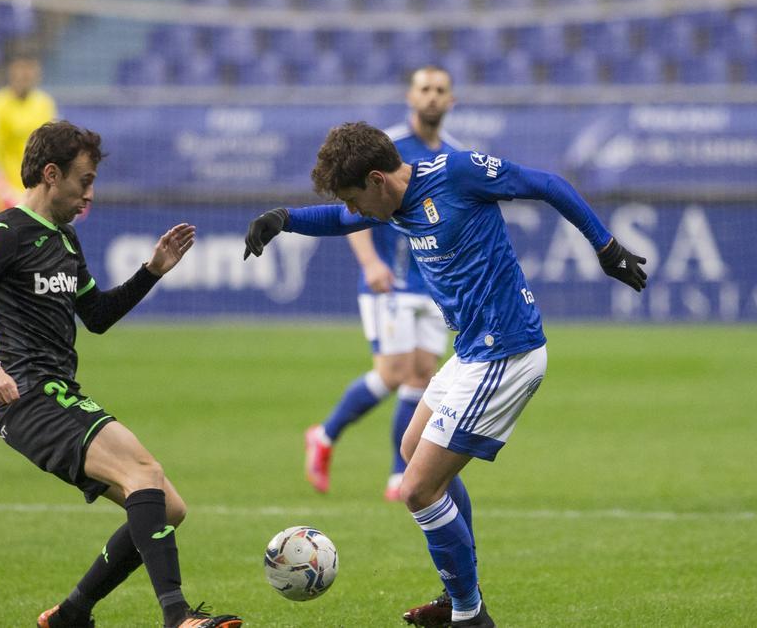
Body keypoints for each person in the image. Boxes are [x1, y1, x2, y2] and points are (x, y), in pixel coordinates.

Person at [244, 122, 647, 627]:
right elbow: (340, 222)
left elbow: (547, 183)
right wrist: (283, 220)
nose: (353, 210)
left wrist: (605, 246)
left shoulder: (457, 173)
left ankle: (469, 615)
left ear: (376, 180)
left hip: (507, 353)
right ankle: (460, 593)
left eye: (354, 198)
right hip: (473, 353)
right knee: (413, 450)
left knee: (415, 489)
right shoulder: (393, 204)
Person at [0, 121, 242, 628]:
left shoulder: (66, 240)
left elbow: (95, 316)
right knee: (145, 476)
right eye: (84, 181)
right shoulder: (5, 233)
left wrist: (152, 271)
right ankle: (177, 617)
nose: (89, 195)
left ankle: (72, 614)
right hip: (28, 397)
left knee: (170, 507)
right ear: (51, 174)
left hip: (57, 394)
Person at [304, 66, 459, 503]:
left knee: (423, 376)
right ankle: (325, 434)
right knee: (394, 373)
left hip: (431, 285)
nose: (431, 97)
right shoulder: (386, 150)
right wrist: (371, 261)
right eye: (424, 89)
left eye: (440, 90)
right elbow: (353, 207)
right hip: (389, 281)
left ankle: (398, 473)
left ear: (451, 101)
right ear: (411, 97)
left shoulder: (453, 155)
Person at [0, 54, 58, 214]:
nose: (25, 74)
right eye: (20, 68)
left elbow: (54, 149)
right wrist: (2, 187)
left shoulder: (45, 104)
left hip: (39, 193)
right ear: (11, 71)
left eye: (29, 69)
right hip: (8, 194)